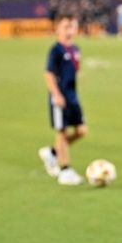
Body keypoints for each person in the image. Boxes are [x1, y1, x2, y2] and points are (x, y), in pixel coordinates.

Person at [38, 12, 87, 186]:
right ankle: (65, 170)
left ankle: (52, 153)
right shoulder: (56, 50)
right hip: (60, 97)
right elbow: (48, 73)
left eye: (73, 26)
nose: (70, 30)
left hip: (73, 97)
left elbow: (74, 71)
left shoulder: (76, 49)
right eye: (66, 26)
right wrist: (56, 95)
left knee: (82, 131)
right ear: (57, 28)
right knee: (62, 132)